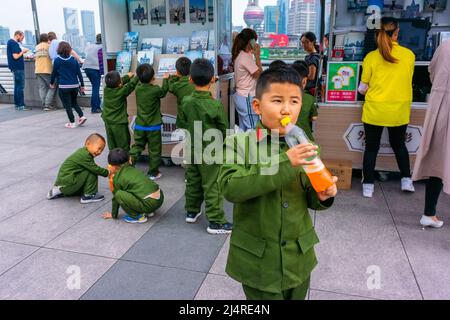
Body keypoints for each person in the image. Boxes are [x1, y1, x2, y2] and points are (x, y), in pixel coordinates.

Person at [218, 67, 337, 300]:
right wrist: (285, 162)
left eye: (294, 101)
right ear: (257, 106)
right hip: (258, 263)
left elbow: (311, 197)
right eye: (277, 100)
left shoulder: (306, 147)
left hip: (298, 259)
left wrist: (324, 195)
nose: (286, 109)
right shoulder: (240, 143)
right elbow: (231, 187)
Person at [358, 17, 415, 198]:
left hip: (375, 110)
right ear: (397, 33)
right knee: (399, 145)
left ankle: (368, 186)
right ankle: (406, 179)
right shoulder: (409, 55)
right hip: (399, 110)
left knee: (371, 148)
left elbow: (362, 88)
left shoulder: (371, 57)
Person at [178, 58, 232, 234]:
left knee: (193, 180)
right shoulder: (215, 104)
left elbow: (181, 122)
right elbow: (224, 129)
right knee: (212, 185)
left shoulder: (186, 101)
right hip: (211, 151)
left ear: (190, 79)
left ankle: (191, 211)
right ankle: (215, 221)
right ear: (212, 80)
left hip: (191, 148)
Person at [412, 40, 450, 229]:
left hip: (439, 108)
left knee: (436, 162)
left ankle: (429, 213)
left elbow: (431, 71)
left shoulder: (445, 45)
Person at [103, 148, 164, 224]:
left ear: (113, 166)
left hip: (149, 203)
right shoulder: (133, 169)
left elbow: (116, 198)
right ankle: (149, 211)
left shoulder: (117, 178)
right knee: (135, 189)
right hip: (160, 197)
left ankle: (138, 216)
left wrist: (113, 214)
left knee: (119, 194)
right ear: (129, 159)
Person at [129, 64, 169, 181]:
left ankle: (128, 165)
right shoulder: (155, 90)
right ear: (153, 77)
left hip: (140, 126)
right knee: (154, 150)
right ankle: (153, 172)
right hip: (153, 127)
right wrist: (166, 79)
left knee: (137, 146)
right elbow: (163, 92)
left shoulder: (138, 89)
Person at [47, 133, 108, 204]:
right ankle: (89, 195)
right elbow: (96, 169)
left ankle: (60, 190)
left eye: (102, 150)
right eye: (99, 148)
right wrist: (108, 172)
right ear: (88, 143)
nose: (100, 152)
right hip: (68, 184)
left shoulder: (83, 152)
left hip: (64, 182)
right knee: (92, 171)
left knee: (89, 169)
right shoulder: (85, 155)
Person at [232, 28, 263, 132]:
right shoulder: (245, 57)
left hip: (242, 95)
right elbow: (259, 75)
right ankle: (255, 148)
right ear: (251, 42)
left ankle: (243, 148)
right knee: (254, 127)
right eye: (255, 41)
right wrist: (257, 56)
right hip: (247, 97)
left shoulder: (241, 54)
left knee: (243, 128)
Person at [50, 41, 87, 129]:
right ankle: (81, 116)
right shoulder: (73, 60)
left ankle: (72, 122)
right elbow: (79, 74)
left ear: (59, 49)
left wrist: (52, 83)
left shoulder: (57, 60)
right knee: (74, 102)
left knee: (67, 105)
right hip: (75, 86)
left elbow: (54, 73)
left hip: (64, 86)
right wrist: (82, 85)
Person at [102, 71, 139, 151]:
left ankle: (113, 160)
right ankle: (124, 161)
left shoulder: (106, 89)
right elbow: (131, 85)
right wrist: (138, 75)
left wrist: (127, 76)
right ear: (119, 84)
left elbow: (118, 82)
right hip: (119, 123)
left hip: (108, 122)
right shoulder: (121, 91)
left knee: (112, 144)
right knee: (123, 144)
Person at [291, 60, 318, 141]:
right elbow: (314, 118)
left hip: (286, 138)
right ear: (305, 81)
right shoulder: (310, 99)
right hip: (305, 138)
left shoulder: (282, 97)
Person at [167, 57, 195, 129]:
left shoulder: (176, 86)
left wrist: (172, 77)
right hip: (197, 119)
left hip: (183, 120)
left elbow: (170, 87)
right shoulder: (197, 81)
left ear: (177, 71)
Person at [7, 30, 30, 111]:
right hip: (18, 68)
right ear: (17, 35)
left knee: (17, 86)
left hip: (15, 67)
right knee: (20, 86)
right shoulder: (14, 43)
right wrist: (23, 51)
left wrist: (25, 57)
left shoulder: (10, 42)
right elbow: (15, 56)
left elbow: (16, 56)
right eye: (22, 37)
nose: (22, 39)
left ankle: (17, 105)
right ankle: (21, 105)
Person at [34, 33, 56, 111]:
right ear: (47, 39)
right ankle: (48, 105)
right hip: (47, 69)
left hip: (37, 70)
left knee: (42, 88)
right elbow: (53, 56)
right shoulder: (49, 46)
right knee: (52, 86)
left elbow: (34, 57)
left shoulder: (37, 47)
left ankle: (44, 104)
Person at [83, 34, 104, 114]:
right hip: (95, 69)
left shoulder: (91, 45)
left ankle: (95, 106)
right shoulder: (102, 47)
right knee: (96, 88)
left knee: (95, 88)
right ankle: (95, 108)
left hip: (86, 68)